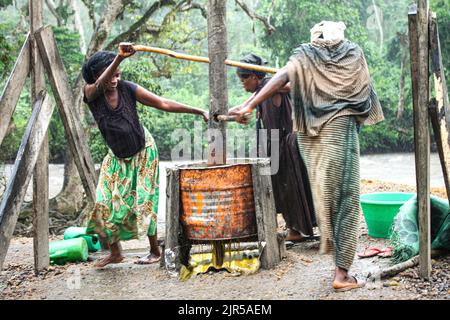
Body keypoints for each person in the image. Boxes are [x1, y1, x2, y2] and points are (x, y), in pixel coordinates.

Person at [233, 21, 384, 291]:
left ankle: (331, 253)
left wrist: (248, 103)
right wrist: (249, 104)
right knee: (346, 201)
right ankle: (342, 275)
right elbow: (362, 97)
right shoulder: (351, 54)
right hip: (340, 133)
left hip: (310, 137)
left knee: (325, 196)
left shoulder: (310, 57)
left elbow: (282, 77)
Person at [82, 44, 208, 268]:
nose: (114, 78)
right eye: (110, 73)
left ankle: (154, 250)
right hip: (117, 157)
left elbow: (163, 103)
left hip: (144, 152)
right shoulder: (91, 93)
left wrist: (199, 111)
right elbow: (101, 84)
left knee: (144, 201)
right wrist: (118, 59)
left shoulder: (128, 89)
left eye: (118, 74)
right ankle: (115, 253)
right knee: (104, 201)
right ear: (95, 76)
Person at [230, 53, 316, 242]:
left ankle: (296, 230)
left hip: (285, 142)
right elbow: (244, 105)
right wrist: (227, 113)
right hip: (274, 143)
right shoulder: (260, 92)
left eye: (243, 80)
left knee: (290, 187)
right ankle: (292, 228)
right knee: (280, 188)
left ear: (254, 77)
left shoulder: (274, 86)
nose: (242, 84)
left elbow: (290, 85)